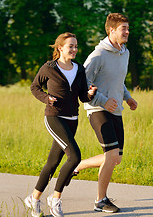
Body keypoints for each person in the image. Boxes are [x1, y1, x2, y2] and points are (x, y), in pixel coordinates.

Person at [67, 13, 138, 213]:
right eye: (123, 28)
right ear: (111, 30)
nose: (127, 32)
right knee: (111, 154)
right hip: (97, 108)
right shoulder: (98, 55)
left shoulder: (125, 52)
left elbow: (118, 80)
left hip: (115, 109)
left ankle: (78, 165)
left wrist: (127, 97)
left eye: (128, 28)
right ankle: (101, 201)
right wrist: (103, 101)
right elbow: (83, 83)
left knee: (116, 158)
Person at [24, 32, 97, 217]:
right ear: (60, 48)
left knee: (53, 162)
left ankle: (34, 197)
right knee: (75, 157)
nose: (74, 49)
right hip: (54, 117)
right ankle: (55, 198)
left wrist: (90, 94)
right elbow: (34, 87)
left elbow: (81, 96)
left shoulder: (79, 69)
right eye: (70, 46)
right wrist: (46, 98)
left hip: (73, 119)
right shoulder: (49, 68)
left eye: (76, 46)